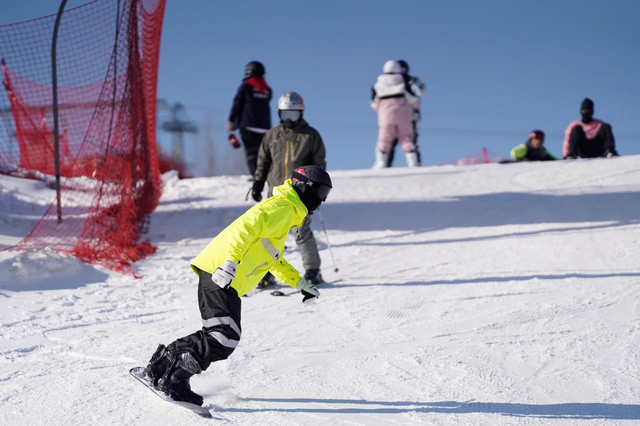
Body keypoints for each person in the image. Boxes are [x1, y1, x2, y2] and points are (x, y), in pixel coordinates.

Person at [142, 166, 333, 406]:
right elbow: (245, 229)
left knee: (219, 334)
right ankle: (175, 379)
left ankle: (160, 366)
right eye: (321, 192)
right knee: (224, 337)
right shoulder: (282, 208)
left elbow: (273, 257)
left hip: (223, 275)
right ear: (304, 187)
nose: (322, 199)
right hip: (221, 272)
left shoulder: (285, 212)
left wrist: (300, 282)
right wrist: (229, 263)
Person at [251, 92, 327, 286]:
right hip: (275, 194)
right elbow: (263, 162)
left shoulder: (310, 135)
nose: (289, 119)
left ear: (301, 113)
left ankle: (312, 270)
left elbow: (318, 165)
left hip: (299, 195)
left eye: (293, 115)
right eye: (285, 115)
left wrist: (315, 191)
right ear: (279, 114)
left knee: (301, 232)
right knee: (269, 235)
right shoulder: (272, 136)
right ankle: (266, 272)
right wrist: (258, 183)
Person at [371, 60, 420, 168]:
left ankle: (380, 162)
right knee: (406, 138)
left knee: (384, 139)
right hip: (404, 116)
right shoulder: (403, 82)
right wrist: (416, 109)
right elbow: (413, 100)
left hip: (385, 117)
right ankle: (412, 162)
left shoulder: (377, 86)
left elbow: (374, 104)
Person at [226, 61, 272, 176]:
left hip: (248, 125)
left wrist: (231, 119)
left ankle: (256, 175)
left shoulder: (245, 87)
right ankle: (264, 174)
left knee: (251, 153)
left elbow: (237, 103)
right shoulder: (268, 90)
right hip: (264, 127)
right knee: (262, 153)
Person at [385, 59, 425, 167]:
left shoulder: (410, 81)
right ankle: (386, 164)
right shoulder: (390, 83)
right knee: (390, 140)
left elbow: (419, 95)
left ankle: (415, 164)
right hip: (395, 115)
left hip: (410, 115)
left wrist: (418, 85)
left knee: (411, 140)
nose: (401, 72)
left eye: (403, 69)